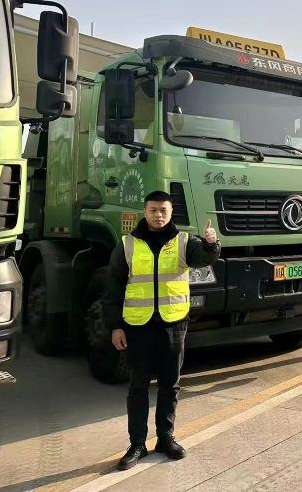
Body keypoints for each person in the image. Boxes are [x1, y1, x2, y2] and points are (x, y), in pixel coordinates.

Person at [103, 191, 220, 471]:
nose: (158, 215)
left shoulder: (184, 241)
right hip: (138, 326)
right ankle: (137, 444)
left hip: (173, 323)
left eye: (163, 210)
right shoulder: (127, 244)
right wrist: (115, 326)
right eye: (153, 210)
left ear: (171, 212)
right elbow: (113, 287)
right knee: (138, 387)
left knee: (170, 385)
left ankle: (165, 439)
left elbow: (203, 258)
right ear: (144, 211)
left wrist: (211, 244)